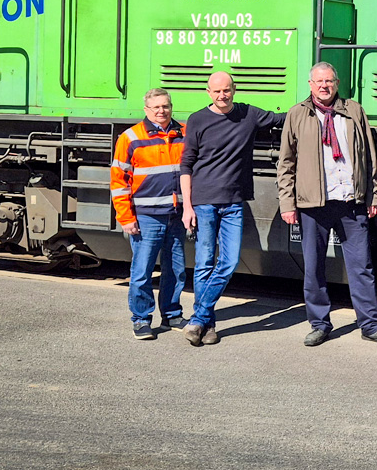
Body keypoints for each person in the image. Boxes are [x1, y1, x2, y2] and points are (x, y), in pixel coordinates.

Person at [278, 61, 377, 346]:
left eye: (329, 81)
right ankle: (320, 324)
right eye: (319, 82)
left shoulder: (354, 110)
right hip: (313, 204)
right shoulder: (297, 114)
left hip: (351, 201)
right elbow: (286, 162)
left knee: (362, 267)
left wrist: (373, 194)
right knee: (314, 267)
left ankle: (370, 325)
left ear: (337, 83)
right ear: (310, 85)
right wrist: (287, 202)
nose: (324, 86)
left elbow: (369, 156)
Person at [178, 71, 286, 347]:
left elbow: (282, 118)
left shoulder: (249, 114)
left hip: (234, 203)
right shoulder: (197, 119)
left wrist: (315, 104)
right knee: (203, 264)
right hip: (203, 202)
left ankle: (199, 319)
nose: (222, 95)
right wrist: (187, 206)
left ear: (234, 90)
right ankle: (208, 324)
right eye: (216, 91)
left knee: (228, 263)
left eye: (226, 90)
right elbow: (186, 165)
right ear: (208, 92)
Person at [112, 88, 187, 339]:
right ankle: (141, 319)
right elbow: (119, 180)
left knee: (176, 269)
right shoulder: (130, 137)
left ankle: (172, 314)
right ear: (146, 110)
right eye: (155, 107)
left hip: (175, 214)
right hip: (146, 216)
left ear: (171, 106)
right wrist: (125, 217)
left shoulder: (184, 133)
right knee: (142, 270)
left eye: (165, 106)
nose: (161, 111)